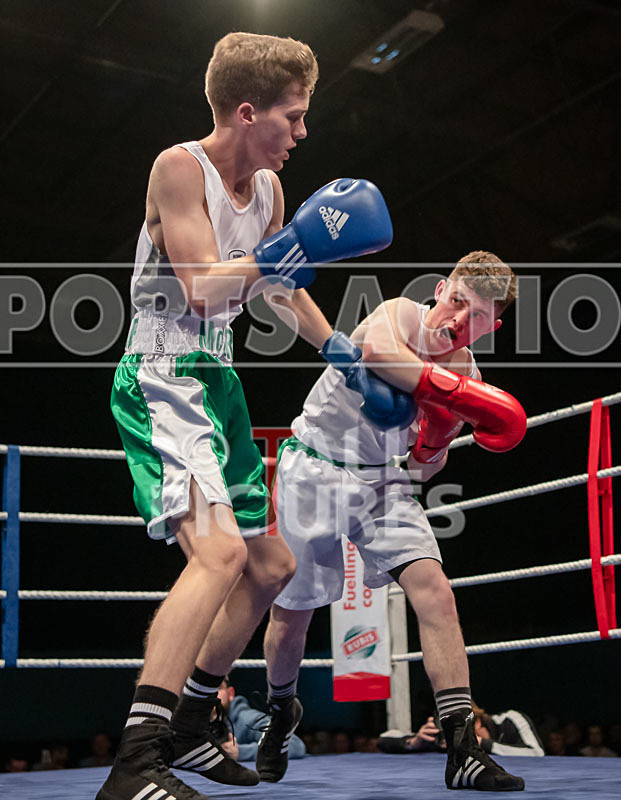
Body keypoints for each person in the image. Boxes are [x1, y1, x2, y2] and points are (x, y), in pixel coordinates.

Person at [98, 31, 394, 800]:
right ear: (244, 110)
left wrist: (340, 351)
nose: (301, 133)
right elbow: (199, 285)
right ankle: (136, 760)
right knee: (220, 556)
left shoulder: (265, 191)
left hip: (217, 378)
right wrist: (293, 245)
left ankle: (194, 728)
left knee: (270, 566)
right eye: (290, 118)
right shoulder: (178, 167)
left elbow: (274, 283)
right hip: (162, 371)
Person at [262, 252, 528, 791]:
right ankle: (278, 712)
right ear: (439, 287)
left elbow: (427, 466)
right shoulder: (400, 314)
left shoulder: (467, 372)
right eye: (456, 301)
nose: (458, 320)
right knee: (292, 616)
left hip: (382, 481)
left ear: (491, 326)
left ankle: (462, 748)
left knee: (436, 591)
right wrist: (454, 398)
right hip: (312, 468)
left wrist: (438, 431)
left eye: (475, 316)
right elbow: (380, 353)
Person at [379, 702, 544, 757]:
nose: (455, 733)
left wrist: (481, 743)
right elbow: (384, 739)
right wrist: (413, 742)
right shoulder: (445, 737)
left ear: (477, 722)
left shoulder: (510, 720)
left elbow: (537, 753)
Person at [207, 677, 305, 763]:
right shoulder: (193, 720)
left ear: (230, 693)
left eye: (217, 688)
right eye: (204, 689)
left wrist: (241, 752)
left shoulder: (247, 719)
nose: (210, 694)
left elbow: (295, 746)